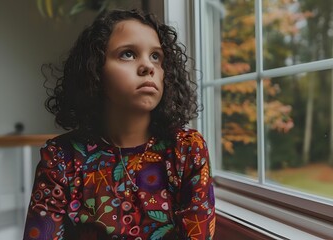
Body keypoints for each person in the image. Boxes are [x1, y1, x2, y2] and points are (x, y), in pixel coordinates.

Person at [23, 9, 215, 240]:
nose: (148, 66)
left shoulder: (186, 150)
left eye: (156, 56)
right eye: (128, 54)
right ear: (94, 71)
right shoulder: (60, 158)